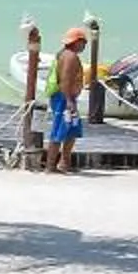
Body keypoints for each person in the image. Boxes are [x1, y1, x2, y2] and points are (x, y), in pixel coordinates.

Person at [43, 28, 89, 172]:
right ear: (76, 42)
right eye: (83, 42)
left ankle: (64, 163)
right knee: (59, 130)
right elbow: (65, 79)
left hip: (66, 97)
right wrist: (69, 101)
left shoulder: (64, 54)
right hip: (64, 98)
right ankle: (50, 166)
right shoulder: (70, 57)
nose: (84, 46)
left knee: (72, 130)